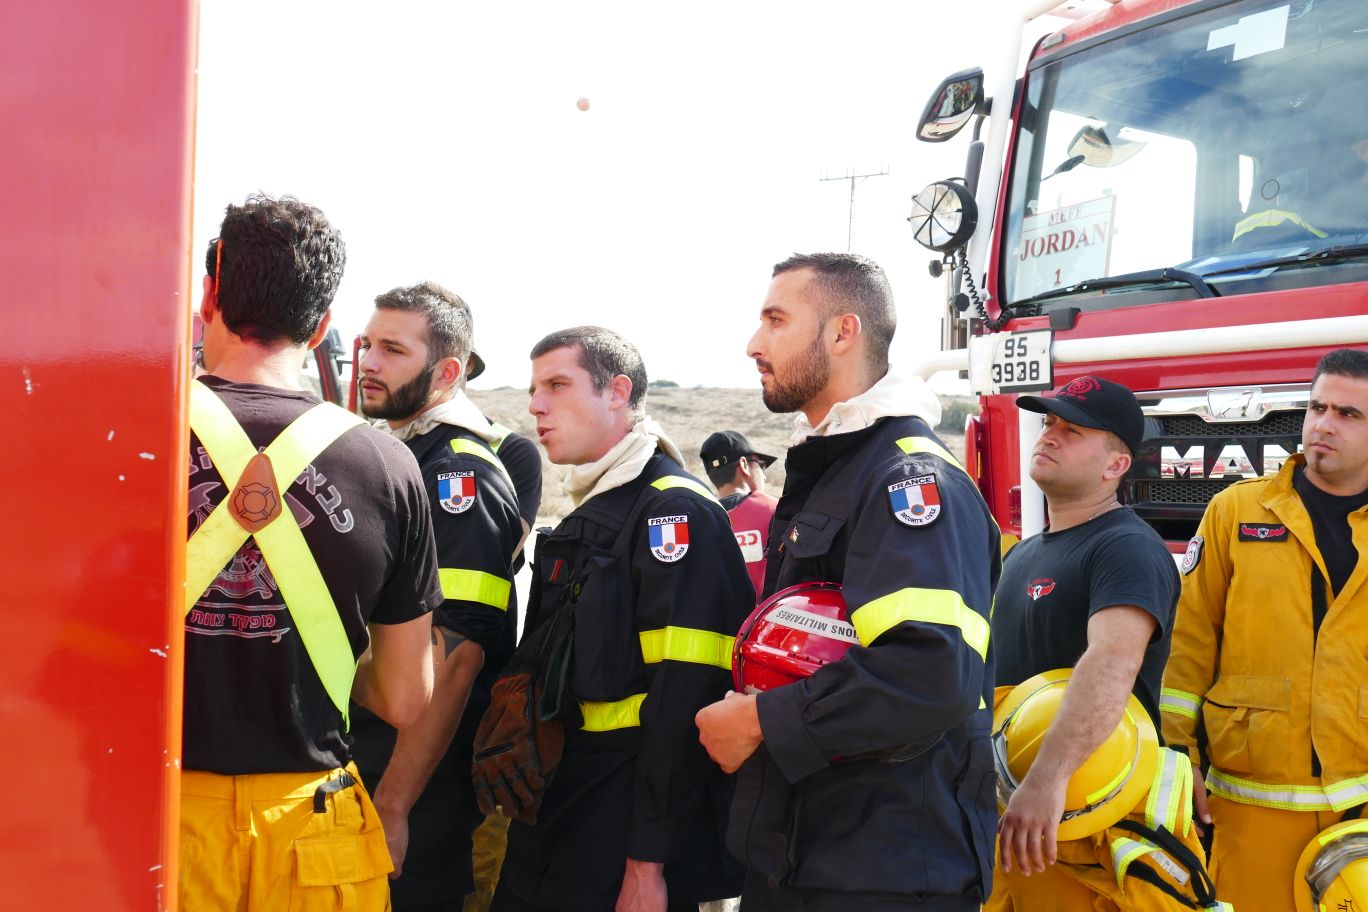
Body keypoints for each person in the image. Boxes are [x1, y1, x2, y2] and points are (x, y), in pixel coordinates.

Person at [696, 252, 1000, 911]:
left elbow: (930, 672)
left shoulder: (909, 481)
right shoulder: (840, 470)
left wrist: (760, 722)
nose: (754, 344)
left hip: (880, 873)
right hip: (807, 854)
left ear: (843, 332)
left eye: (776, 320)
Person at [181, 194, 437, 911]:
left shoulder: (126, 436)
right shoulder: (387, 466)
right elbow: (406, 696)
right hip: (311, 835)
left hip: (153, 819)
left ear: (208, 297)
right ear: (323, 324)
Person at [487, 326, 752, 912]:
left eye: (558, 384)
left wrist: (647, 865)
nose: (536, 404)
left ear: (617, 393)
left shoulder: (674, 514)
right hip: (560, 815)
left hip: (620, 834)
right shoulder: (604, 509)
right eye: (534, 388)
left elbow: (687, 696)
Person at [985, 376, 1207, 910]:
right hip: (1022, 814)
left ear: (1116, 465)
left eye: (1073, 429)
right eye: (1048, 423)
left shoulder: (1126, 548)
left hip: (1093, 821)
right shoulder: (1020, 556)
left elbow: (1111, 663)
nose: (1049, 436)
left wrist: (1046, 781)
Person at [1162, 347, 1368, 912]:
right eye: (1318, 407)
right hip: (1250, 807)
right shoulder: (1237, 511)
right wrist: (1179, 759)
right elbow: (1189, 641)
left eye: (1349, 414)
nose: (1324, 425)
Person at [348, 282, 524, 912]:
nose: (368, 361)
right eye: (367, 344)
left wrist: (394, 806)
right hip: (369, 767)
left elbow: (457, 656)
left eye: (393, 349)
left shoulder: (456, 475)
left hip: (413, 789)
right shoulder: (405, 454)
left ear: (447, 371)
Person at [463, 345, 545, 912]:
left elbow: (500, 553)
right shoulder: (382, 445)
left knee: (473, 857)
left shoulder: (507, 451)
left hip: (473, 682)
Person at [700, 430, 779, 595]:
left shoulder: (699, 520)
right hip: (766, 618)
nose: (763, 477)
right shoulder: (774, 510)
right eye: (761, 465)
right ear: (744, 465)